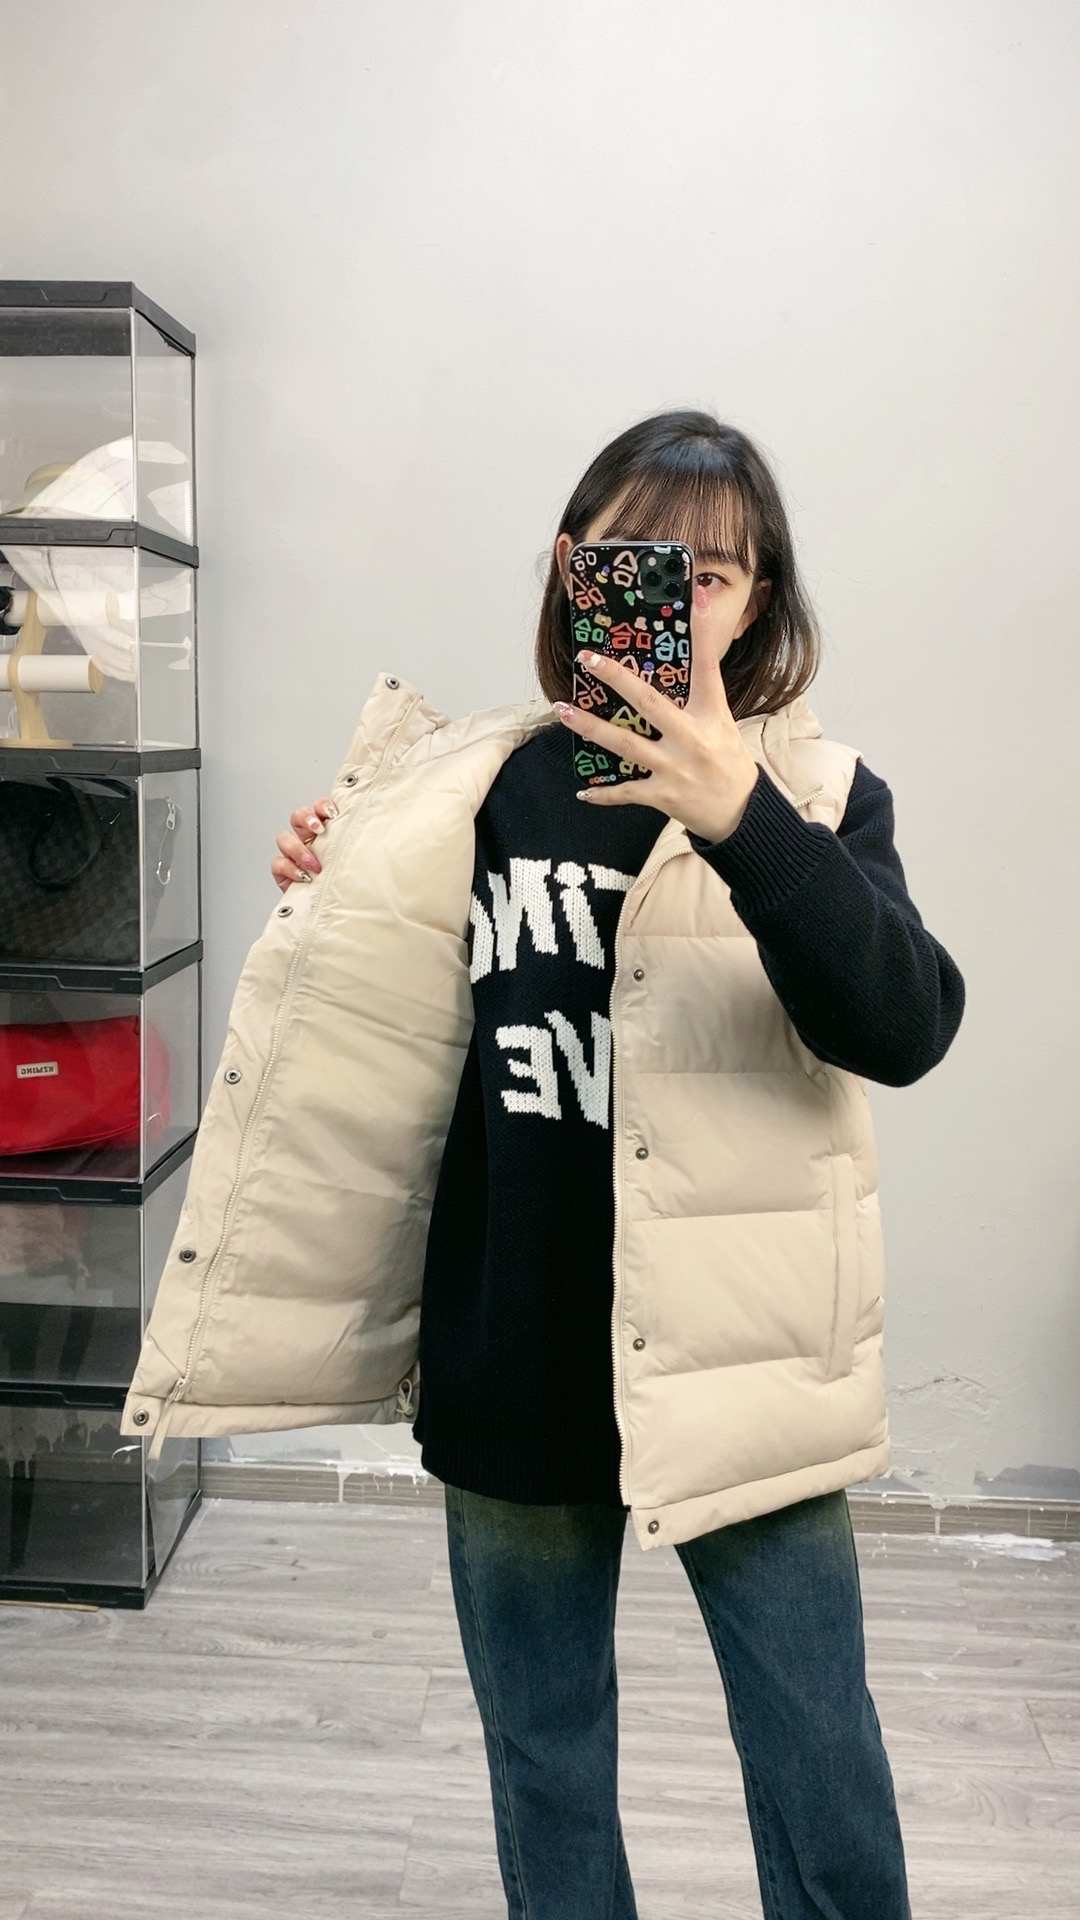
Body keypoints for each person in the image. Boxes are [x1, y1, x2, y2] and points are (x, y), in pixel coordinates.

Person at [269, 410, 964, 1919]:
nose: (679, 600)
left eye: (716, 575)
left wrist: (740, 821)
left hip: (741, 1363)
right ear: (572, 571)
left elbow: (907, 1026)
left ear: (759, 603)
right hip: (514, 1349)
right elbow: (371, 1056)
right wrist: (333, 881)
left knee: (820, 1764)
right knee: (547, 1760)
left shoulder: (820, 797)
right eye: (641, 562)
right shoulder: (474, 789)